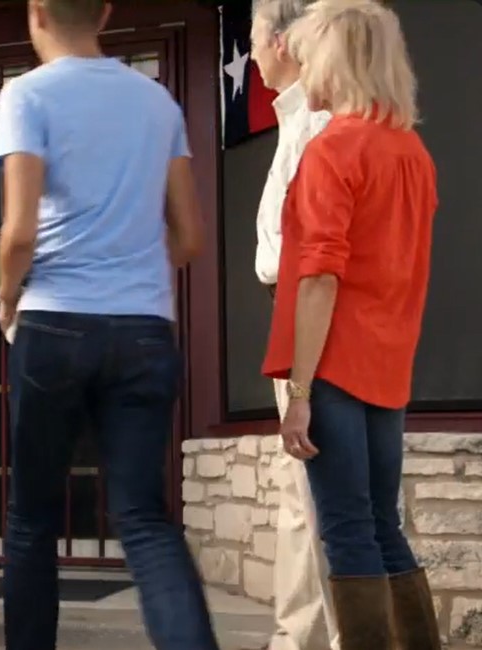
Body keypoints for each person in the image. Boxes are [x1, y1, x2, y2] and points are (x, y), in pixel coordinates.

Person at [0, 1, 212, 648]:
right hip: (144, 328)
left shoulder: (26, 96)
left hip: (54, 323)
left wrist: (8, 297)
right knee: (145, 519)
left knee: (31, 519)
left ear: (36, 13)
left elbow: (19, 233)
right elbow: (191, 236)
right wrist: (133, 269)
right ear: (105, 12)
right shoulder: (158, 102)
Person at [265, 1, 440, 649]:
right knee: (380, 523)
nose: (299, 62)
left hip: (335, 362)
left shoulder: (333, 149)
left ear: (333, 59)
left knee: (345, 528)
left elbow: (318, 277)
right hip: (389, 364)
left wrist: (301, 394)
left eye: (307, 51)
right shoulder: (411, 152)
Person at [246, 2, 338, 649]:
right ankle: (295, 641)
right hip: (293, 317)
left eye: (252, 36)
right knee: (301, 506)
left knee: (328, 508)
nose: (249, 53)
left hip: (317, 326)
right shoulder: (295, 119)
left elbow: (316, 256)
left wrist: (302, 384)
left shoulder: (321, 122)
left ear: (280, 40)